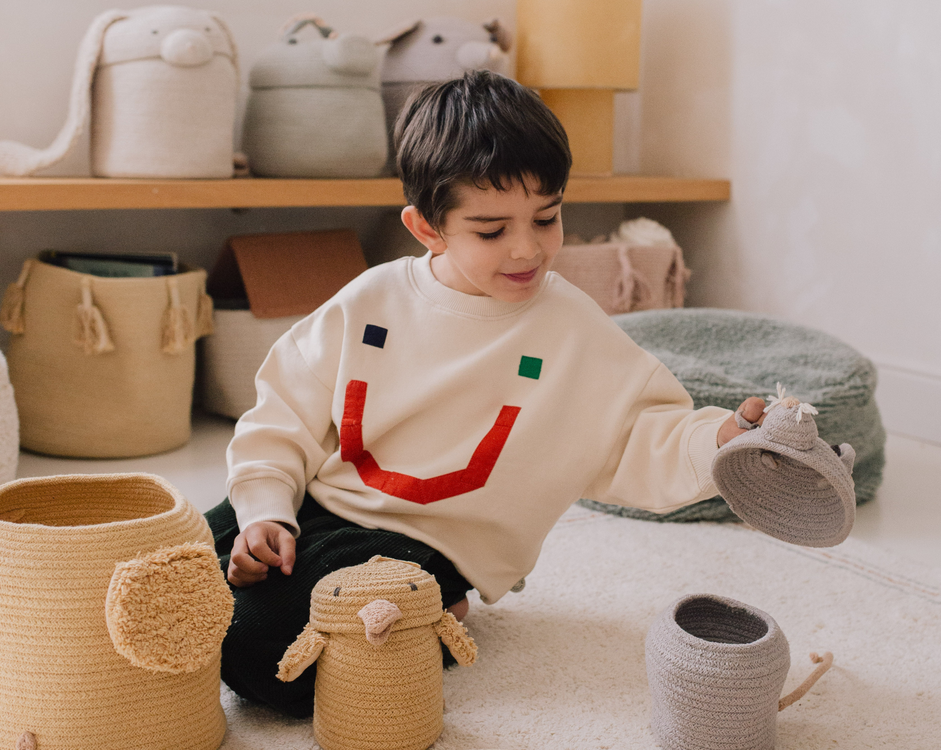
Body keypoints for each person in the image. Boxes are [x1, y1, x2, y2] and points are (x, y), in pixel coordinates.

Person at [205, 71, 765, 717]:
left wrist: (721, 441)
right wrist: (266, 514)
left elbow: (642, 432)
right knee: (174, 567)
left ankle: (439, 612)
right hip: (317, 497)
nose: (527, 249)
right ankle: (389, 596)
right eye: (491, 230)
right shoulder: (370, 301)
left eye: (547, 218)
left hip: (433, 538)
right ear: (426, 228)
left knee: (262, 656)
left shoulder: (571, 327)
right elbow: (285, 413)